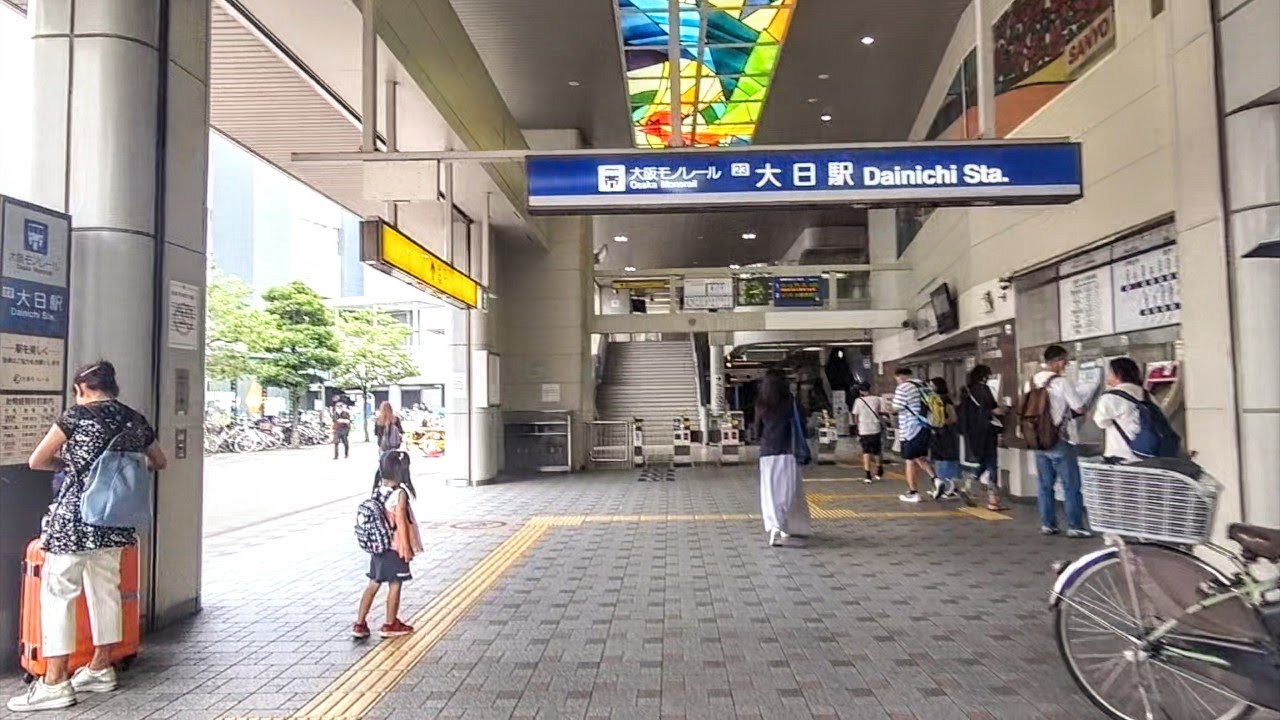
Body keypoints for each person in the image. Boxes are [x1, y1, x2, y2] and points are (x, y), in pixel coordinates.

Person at [9, 361, 167, 713]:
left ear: (82, 388)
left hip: (76, 519)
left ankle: (54, 682)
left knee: (58, 593)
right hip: (115, 518)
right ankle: (100, 667)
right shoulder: (135, 420)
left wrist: (73, 467)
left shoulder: (76, 418)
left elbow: (38, 460)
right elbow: (159, 461)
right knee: (106, 590)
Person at [1026, 344, 1097, 538]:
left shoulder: (1031, 382)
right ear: (1057, 361)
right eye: (1065, 360)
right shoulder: (1061, 382)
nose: (1066, 364)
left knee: (1044, 485)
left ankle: (1048, 524)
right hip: (1060, 439)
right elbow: (1079, 407)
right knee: (1071, 485)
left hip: (1039, 440)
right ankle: (1075, 526)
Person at [354, 450, 423, 640]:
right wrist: (407, 548)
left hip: (378, 547)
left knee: (373, 584)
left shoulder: (378, 490)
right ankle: (390, 623)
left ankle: (360, 624)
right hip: (395, 547)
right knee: (395, 584)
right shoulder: (399, 494)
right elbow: (401, 522)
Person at [753, 369, 813, 547]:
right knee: (787, 491)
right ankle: (783, 526)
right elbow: (802, 422)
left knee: (770, 492)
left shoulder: (761, 404)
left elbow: (757, 430)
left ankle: (774, 526)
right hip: (788, 452)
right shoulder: (791, 403)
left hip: (767, 454)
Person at [958, 364, 1009, 511]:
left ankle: (968, 485)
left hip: (972, 433)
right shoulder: (983, 389)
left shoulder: (966, 391)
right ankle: (993, 500)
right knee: (991, 462)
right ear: (984, 376)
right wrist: (1005, 410)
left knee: (984, 461)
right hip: (986, 431)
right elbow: (993, 409)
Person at [892, 368, 940, 503]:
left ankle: (913, 492)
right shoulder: (924, 386)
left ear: (900, 377)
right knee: (920, 457)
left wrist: (889, 409)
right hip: (925, 427)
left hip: (910, 430)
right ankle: (936, 480)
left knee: (909, 461)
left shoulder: (903, 387)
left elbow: (896, 407)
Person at [1092, 357, 1145, 463]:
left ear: (1118, 375)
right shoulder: (1147, 394)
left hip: (1121, 455)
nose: (1108, 375)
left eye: (1110, 372)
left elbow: (1101, 422)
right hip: (1146, 454)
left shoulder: (1111, 397)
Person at [928, 378, 963, 501]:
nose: (930, 387)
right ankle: (948, 485)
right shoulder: (936, 399)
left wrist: (940, 423)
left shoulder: (943, 399)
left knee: (943, 458)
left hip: (943, 432)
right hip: (943, 432)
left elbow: (953, 417)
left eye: (932, 385)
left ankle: (948, 486)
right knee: (944, 458)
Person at [850, 382, 885, 484]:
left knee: (866, 452)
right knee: (877, 451)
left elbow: (855, 415)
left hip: (864, 429)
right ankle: (879, 468)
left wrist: (856, 426)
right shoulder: (877, 399)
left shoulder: (858, 401)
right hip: (876, 428)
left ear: (860, 391)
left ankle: (868, 475)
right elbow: (882, 411)